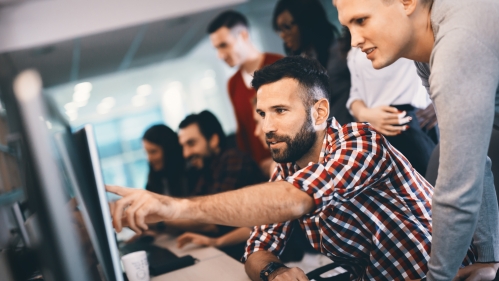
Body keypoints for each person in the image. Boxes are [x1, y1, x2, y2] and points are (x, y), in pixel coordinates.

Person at [107, 57, 477, 280]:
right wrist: (275, 272)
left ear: (318, 112)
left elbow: (296, 200)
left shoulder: (359, 141)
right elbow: (257, 250)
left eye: (280, 112)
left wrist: (176, 208)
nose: (267, 127)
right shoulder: (284, 173)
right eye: (262, 114)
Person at [334, 0, 499, 280]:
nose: (354, 41)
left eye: (361, 21)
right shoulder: (426, 55)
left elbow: (459, 186)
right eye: (348, 26)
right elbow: (473, 161)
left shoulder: (456, 44)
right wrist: (488, 259)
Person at [346, 29, 436, 175]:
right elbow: (355, 93)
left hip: (416, 122)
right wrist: (365, 114)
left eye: (360, 20)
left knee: (435, 186)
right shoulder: (355, 47)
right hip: (377, 129)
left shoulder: (403, 31)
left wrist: (440, 100)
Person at [178, 110, 266, 259]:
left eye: (191, 143)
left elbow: (213, 219)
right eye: (183, 146)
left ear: (213, 140)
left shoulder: (234, 160)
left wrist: (157, 220)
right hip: (237, 250)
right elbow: (193, 209)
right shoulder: (207, 168)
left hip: (253, 253)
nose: (185, 154)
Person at [208, 11, 283, 177]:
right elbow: (243, 134)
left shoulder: (279, 65)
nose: (220, 55)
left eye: (224, 45)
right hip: (260, 173)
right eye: (216, 48)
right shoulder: (233, 84)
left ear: (243, 35)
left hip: (289, 162)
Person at [272, 0, 353, 125]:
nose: (283, 35)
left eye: (287, 27)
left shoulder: (340, 53)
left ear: (307, 22)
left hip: (346, 132)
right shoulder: (300, 59)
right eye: (280, 30)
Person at [142, 124, 186, 196]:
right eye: (147, 153)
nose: (149, 159)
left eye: (153, 151)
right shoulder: (153, 178)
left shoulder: (189, 174)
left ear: (169, 149)